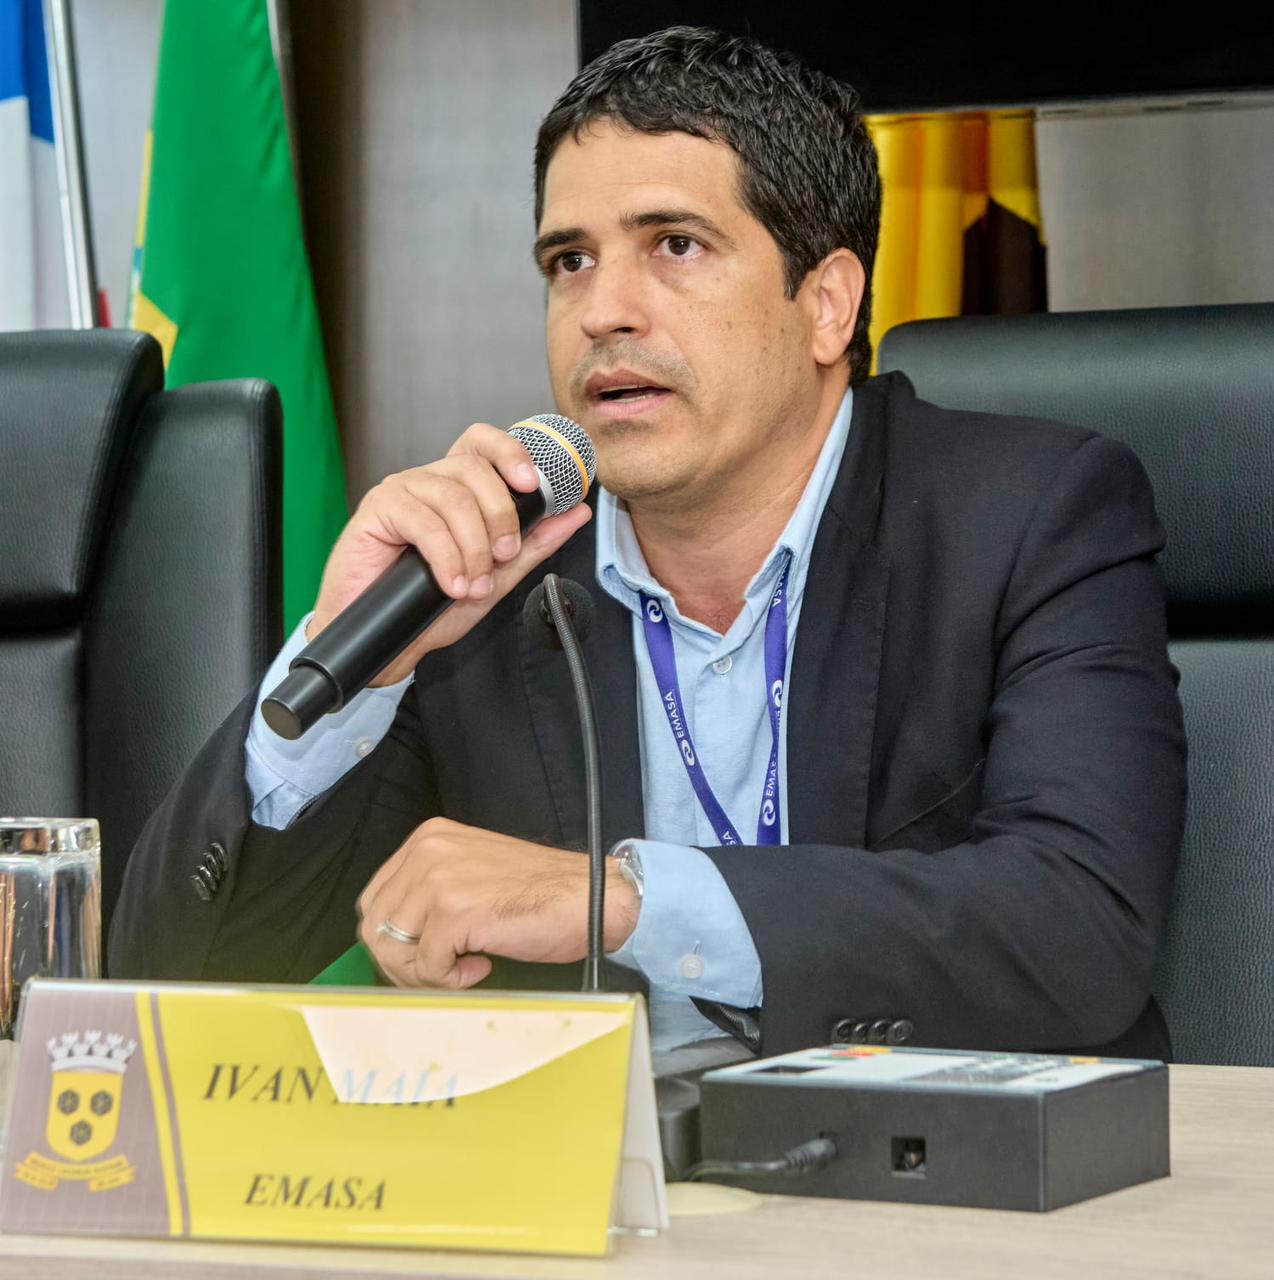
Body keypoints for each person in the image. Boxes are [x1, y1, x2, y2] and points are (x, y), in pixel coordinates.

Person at [109, 26, 1186, 1060]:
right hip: (579, 1179)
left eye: (675, 245)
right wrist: (356, 663)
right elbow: (171, 976)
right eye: (569, 261)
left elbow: (1081, 926)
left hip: (930, 1171)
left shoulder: (1029, 516)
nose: (602, 312)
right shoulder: (488, 574)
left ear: (826, 304)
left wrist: (622, 899)